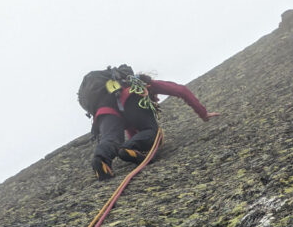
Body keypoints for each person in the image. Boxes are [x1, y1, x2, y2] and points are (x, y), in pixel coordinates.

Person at [77, 65, 218, 180]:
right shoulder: (142, 84)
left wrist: (132, 149)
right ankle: (128, 149)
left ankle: (101, 160)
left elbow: (133, 133)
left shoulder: (111, 92)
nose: (156, 99)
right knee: (152, 132)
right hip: (131, 99)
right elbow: (181, 90)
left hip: (103, 111)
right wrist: (203, 113)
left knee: (111, 139)